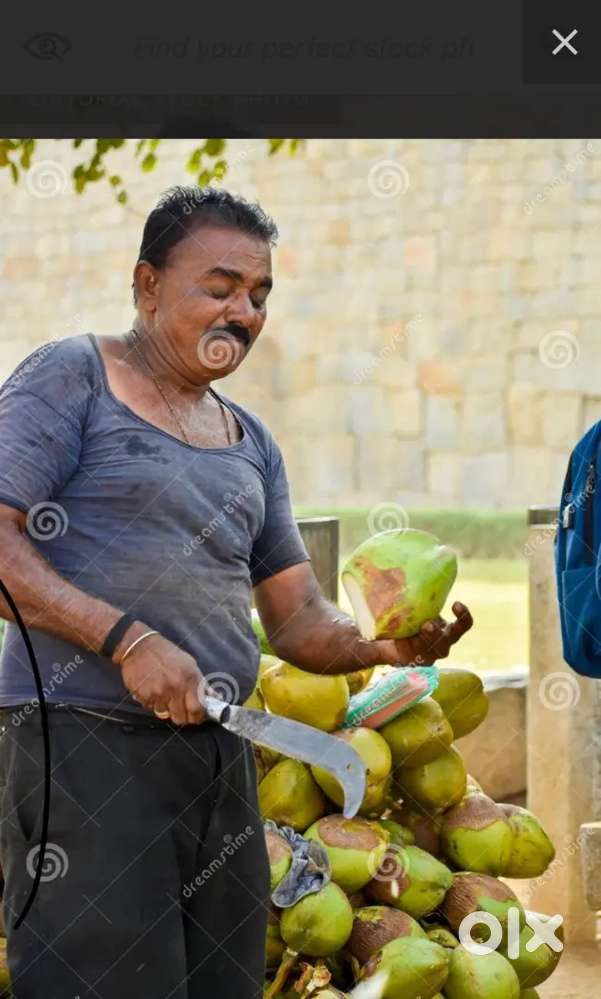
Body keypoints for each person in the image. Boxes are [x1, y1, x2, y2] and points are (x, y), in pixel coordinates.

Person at [0, 185, 472, 998]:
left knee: (221, 978)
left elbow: (295, 618)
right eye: (218, 287)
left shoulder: (248, 440)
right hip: (80, 741)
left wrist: (378, 646)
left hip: (219, 753)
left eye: (258, 294)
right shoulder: (72, 376)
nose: (244, 311)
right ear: (146, 284)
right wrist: (127, 640)